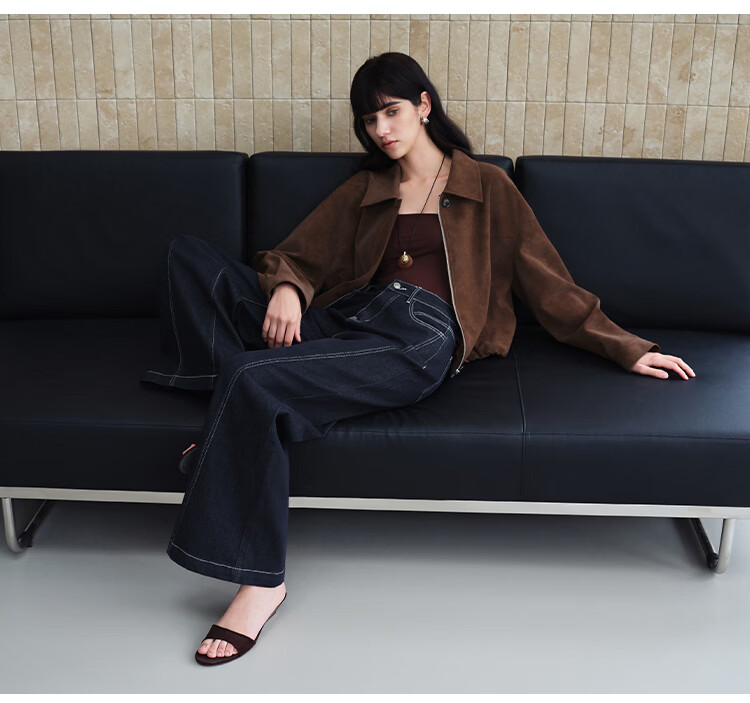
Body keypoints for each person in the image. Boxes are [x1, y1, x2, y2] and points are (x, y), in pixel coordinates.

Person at [141, 52, 696, 666]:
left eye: (392, 111)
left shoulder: (486, 186)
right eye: (369, 119)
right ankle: (226, 421)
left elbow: (549, 284)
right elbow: (296, 255)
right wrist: (289, 290)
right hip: (353, 316)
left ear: (424, 105)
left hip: (422, 335)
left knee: (250, 375)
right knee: (189, 257)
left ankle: (260, 584)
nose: (381, 129)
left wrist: (628, 349)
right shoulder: (367, 189)